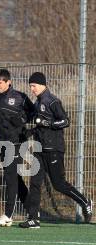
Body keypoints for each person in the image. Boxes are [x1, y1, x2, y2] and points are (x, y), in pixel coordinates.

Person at [19, 72, 93, 228]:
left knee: (59, 184)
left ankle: (85, 202)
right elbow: (41, 125)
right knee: (35, 183)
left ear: (43, 84)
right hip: (40, 150)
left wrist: (47, 123)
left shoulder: (52, 101)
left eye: (34, 85)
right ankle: (33, 219)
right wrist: (31, 132)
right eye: (30, 86)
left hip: (54, 149)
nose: (32, 89)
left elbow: (65, 121)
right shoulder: (38, 102)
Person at [0, 69, 33, 227]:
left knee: (10, 177)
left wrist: (21, 119)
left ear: (8, 82)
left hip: (17, 141)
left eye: (0, 82)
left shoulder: (20, 97)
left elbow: (32, 112)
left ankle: (8, 215)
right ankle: (32, 210)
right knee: (15, 179)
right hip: (2, 143)